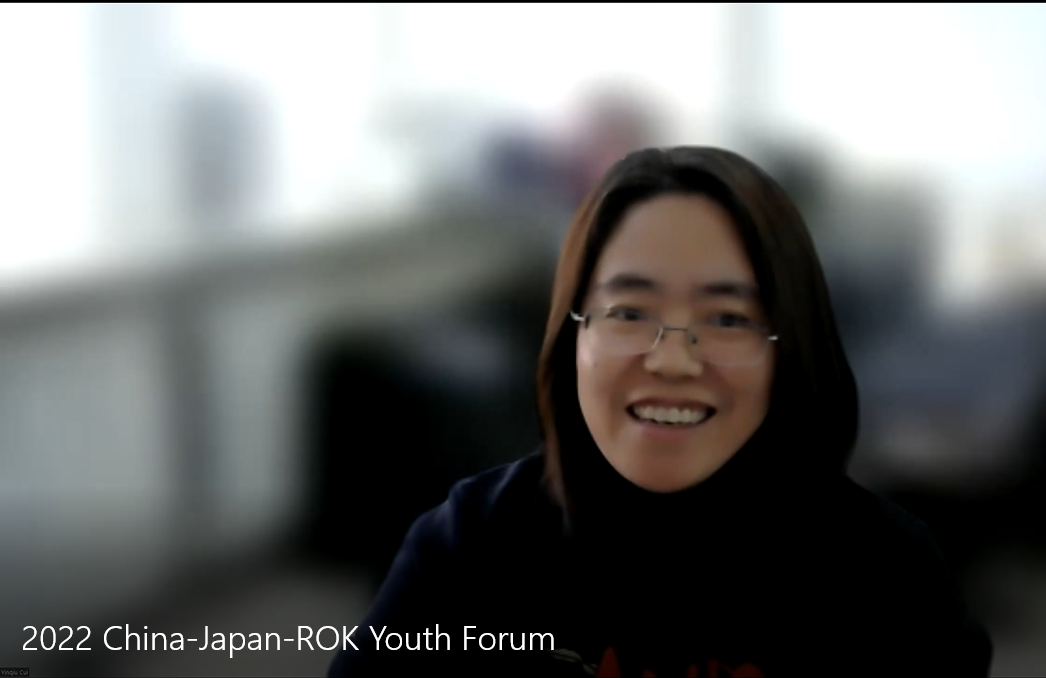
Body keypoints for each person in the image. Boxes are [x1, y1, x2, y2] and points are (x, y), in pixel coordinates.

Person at [327, 146, 993, 677]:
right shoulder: (471, 547)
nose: (672, 360)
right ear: (572, 337)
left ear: (791, 348)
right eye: (629, 312)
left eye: (727, 318)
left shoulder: (888, 576)